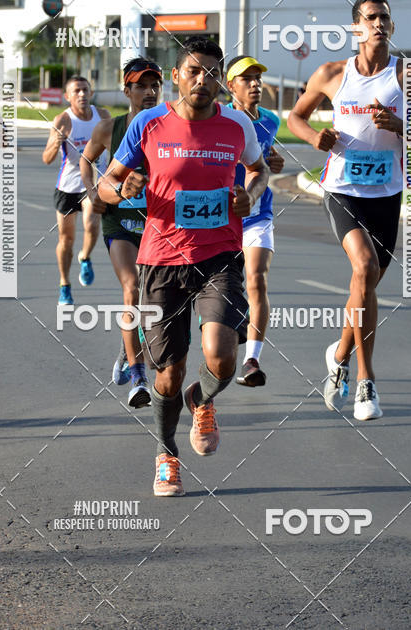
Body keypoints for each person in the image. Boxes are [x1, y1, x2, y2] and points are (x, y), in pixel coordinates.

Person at [98, 37, 268, 496]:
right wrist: (125, 187)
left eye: (212, 72)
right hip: (161, 259)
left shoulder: (236, 125)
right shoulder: (149, 124)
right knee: (168, 374)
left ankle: (203, 399)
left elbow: (257, 169)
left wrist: (248, 193)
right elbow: (105, 189)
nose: (203, 80)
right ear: (177, 75)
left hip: (220, 254)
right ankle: (166, 454)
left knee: (222, 356)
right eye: (194, 71)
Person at [287, 0, 403, 421]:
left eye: (384, 17)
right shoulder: (332, 73)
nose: (378, 23)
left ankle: (337, 357)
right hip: (343, 189)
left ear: (393, 26)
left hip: (387, 194)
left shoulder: (408, 75)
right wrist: (313, 136)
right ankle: (366, 381)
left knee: (366, 284)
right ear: (356, 28)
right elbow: (294, 117)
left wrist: (401, 125)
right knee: (364, 268)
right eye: (370, 18)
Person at [81, 57, 163, 409]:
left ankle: (125, 345)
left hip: (157, 224)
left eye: (154, 85)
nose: (149, 92)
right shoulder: (108, 129)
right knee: (131, 287)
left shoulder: (167, 128)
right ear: (126, 90)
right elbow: (86, 160)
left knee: (150, 301)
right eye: (141, 86)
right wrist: (91, 192)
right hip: (119, 221)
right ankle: (138, 374)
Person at [225, 56, 284, 387]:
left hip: (258, 214)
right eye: (246, 79)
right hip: (221, 218)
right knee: (225, 292)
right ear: (231, 86)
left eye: (258, 79)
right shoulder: (220, 120)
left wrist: (274, 160)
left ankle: (252, 360)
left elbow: (263, 158)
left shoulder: (271, 121)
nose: (255, 84)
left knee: (257, 279)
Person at [42, 76, 108, 305]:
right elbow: (47, 159)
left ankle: (86, 256)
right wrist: (56, 141)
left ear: (91, 92)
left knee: (91, 223)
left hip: (94, 184)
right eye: (76, 91)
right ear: (67, 96)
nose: (81, 94)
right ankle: (64, 284)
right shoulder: (62, 120)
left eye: (85, 90)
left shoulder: (103, 116)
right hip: (68, 187)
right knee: (66, 239)